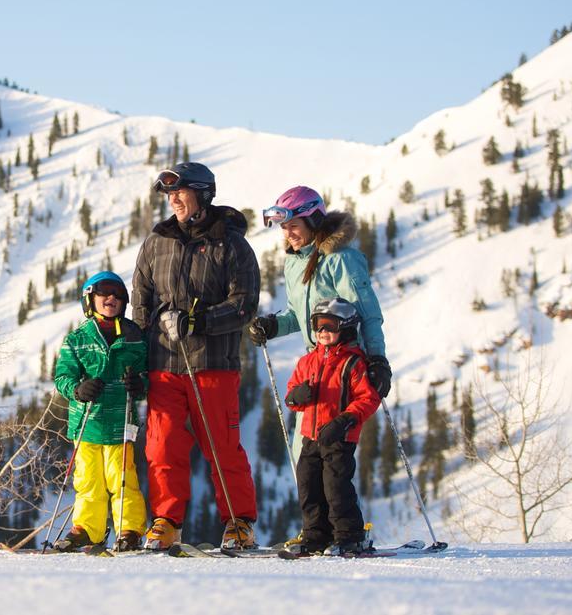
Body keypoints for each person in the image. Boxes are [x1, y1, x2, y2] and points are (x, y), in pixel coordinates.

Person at [247, 185, 392, 548]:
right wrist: (273, 325)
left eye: (293, 225)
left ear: (313, 220)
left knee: (334, 460)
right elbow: (301, 315)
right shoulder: (294, 262)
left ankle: (345, 532)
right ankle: (317, 531)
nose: (288, 233)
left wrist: (377, 360)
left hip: (346, 367)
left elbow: (368, 312)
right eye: (283, 227)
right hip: (315, 366)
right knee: (305, 459)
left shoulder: (341, 259)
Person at [131, 162, 260, 551]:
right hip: (163, 364)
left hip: (212, 364)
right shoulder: (158, 241)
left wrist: (198, 321)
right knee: (161, 446)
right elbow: (141, 299)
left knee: (222, 446)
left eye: (180, 192)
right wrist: (137, 357)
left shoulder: (232, 244)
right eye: (169, 195)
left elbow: (245, 304)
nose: (173, 200)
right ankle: (167, 521)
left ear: (203, 194)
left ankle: (238, 523)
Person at [53, 271, 149, 552]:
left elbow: (146, 375)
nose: (111, 298)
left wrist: (139, 384)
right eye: (103, 293)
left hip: (121, 423)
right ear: (89, 300)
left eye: (118, 294)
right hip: (87, 423)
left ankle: (129, 529)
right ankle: (88, 529)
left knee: (122, 479)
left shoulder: (134, 337)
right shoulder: (78, 338)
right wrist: (77, 389)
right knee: (88, 480)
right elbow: (62, 377)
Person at [283, 298, 380, 556]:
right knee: (308, 485)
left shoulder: (352, 363)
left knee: (336, 487)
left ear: (346, 328)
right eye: (318, 324)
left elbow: (368, 399)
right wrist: (297, 396)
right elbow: (290, 394)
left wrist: (344, 420)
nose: (322, 331)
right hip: (310, 437)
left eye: (330, 325)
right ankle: (316, 535)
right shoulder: (307, 362)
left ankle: (349, 536)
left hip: (338, 437)